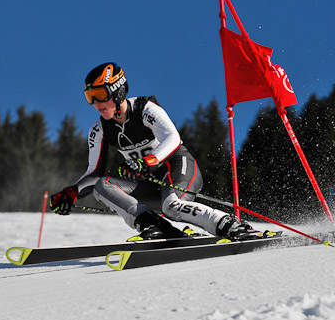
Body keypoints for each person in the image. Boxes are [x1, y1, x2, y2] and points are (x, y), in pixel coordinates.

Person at [49, 62, 253, 240]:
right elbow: (94, 172)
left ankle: (228, 224)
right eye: (90, 97)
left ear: (118, 91)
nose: (96, 103)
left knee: (172, 206)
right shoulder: (99, 129)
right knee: (103, 186)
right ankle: (154, 226)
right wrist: (71, 193)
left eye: (100, 95)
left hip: (177, 168)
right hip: (150, 184)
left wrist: (146, 161)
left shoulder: (145, 109)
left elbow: (173, 138)